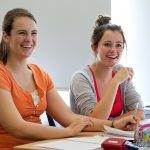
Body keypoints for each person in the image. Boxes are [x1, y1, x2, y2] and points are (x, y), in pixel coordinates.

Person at [0, 9, 139, 149]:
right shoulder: (2, 74)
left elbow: (70, 118)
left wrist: (113, 125)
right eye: (22, 33)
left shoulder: (40, 74)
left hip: (38, 146)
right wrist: (66, 132)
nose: (29, 39)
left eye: (33, 33)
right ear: (6, 36)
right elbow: (16, 127)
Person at [70, 15, 144, 120]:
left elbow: (139, 111)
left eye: (118, 45)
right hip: (87, 136)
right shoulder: (80, 78)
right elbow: (94, 120)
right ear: (94, 47)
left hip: (113, 135)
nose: (113, 50)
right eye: (107, 44)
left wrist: (115, 124)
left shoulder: (120, 71)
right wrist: (115, 82)